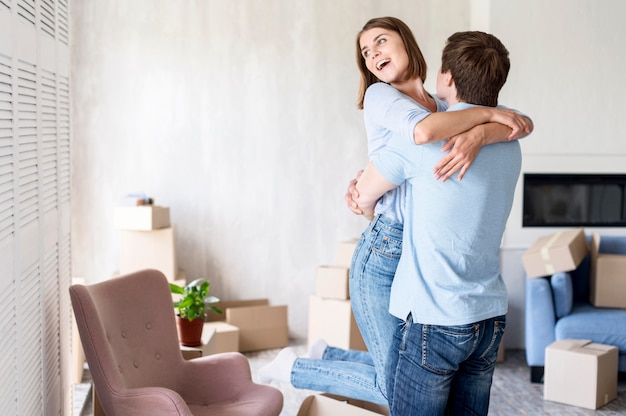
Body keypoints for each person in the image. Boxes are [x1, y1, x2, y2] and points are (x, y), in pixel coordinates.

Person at [258, 18, 532, 406]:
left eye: (381, 42)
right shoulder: (382, 98)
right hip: (388, 246)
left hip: (424, 250)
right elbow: (425, 133)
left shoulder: (442, 107)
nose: (373, 55)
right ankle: (295, 368)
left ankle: (324, 355)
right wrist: (365, 204)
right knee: (395, 382)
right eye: (366, 53)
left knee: (400, 370)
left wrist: (480, 131)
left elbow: (511, 120)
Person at [354, 31, 526, 415]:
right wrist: (483, 127)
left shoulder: (422, 140)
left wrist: (366, 206)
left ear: (446, 76)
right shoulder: (509, 141)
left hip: (434, 319)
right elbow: (520, 124)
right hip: (488, 319)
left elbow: (364, 195)